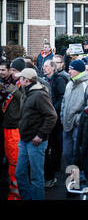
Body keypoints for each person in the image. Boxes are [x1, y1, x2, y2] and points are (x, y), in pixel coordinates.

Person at [15, 68, 57, 200]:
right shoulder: (26, 92)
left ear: (26, 80)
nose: (19, 80)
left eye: (21, 78)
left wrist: (40, 135)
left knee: (36, 177)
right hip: (24, 140)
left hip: (35, 142)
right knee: (20, 173)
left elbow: (52, 116)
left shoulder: (39, 95)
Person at [60, 60, 88, 167]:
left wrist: (78, 120)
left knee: (78, 154)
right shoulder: (69, 83)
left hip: (78, 126)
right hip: (66, 124)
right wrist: (62, 116)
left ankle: (79, 179)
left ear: (78, 70)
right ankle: (72, 178)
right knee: (66, 154)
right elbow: (64, 102)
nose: (69, 71)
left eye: (71, 69)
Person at [42, 60, 68, 188]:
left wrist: (52, 109)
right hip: (47, 115)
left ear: (53, 68)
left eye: (47, 66)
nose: (44, 68)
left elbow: (61, 97)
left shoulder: (59, 80)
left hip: (55, 115)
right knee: (50, 141)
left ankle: (56, 166)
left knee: (56, 141)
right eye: (44, 66)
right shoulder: (43, 80)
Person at [0, 60, 23, 199]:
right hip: (7, 125)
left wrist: (15, 92)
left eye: (14, 71)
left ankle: (16, 192)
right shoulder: (11, 84)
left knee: (15, 161)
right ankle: (13, 190)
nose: (12, 73)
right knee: (10, 160)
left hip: (15, 128)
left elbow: (26, 102)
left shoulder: (22, 84)